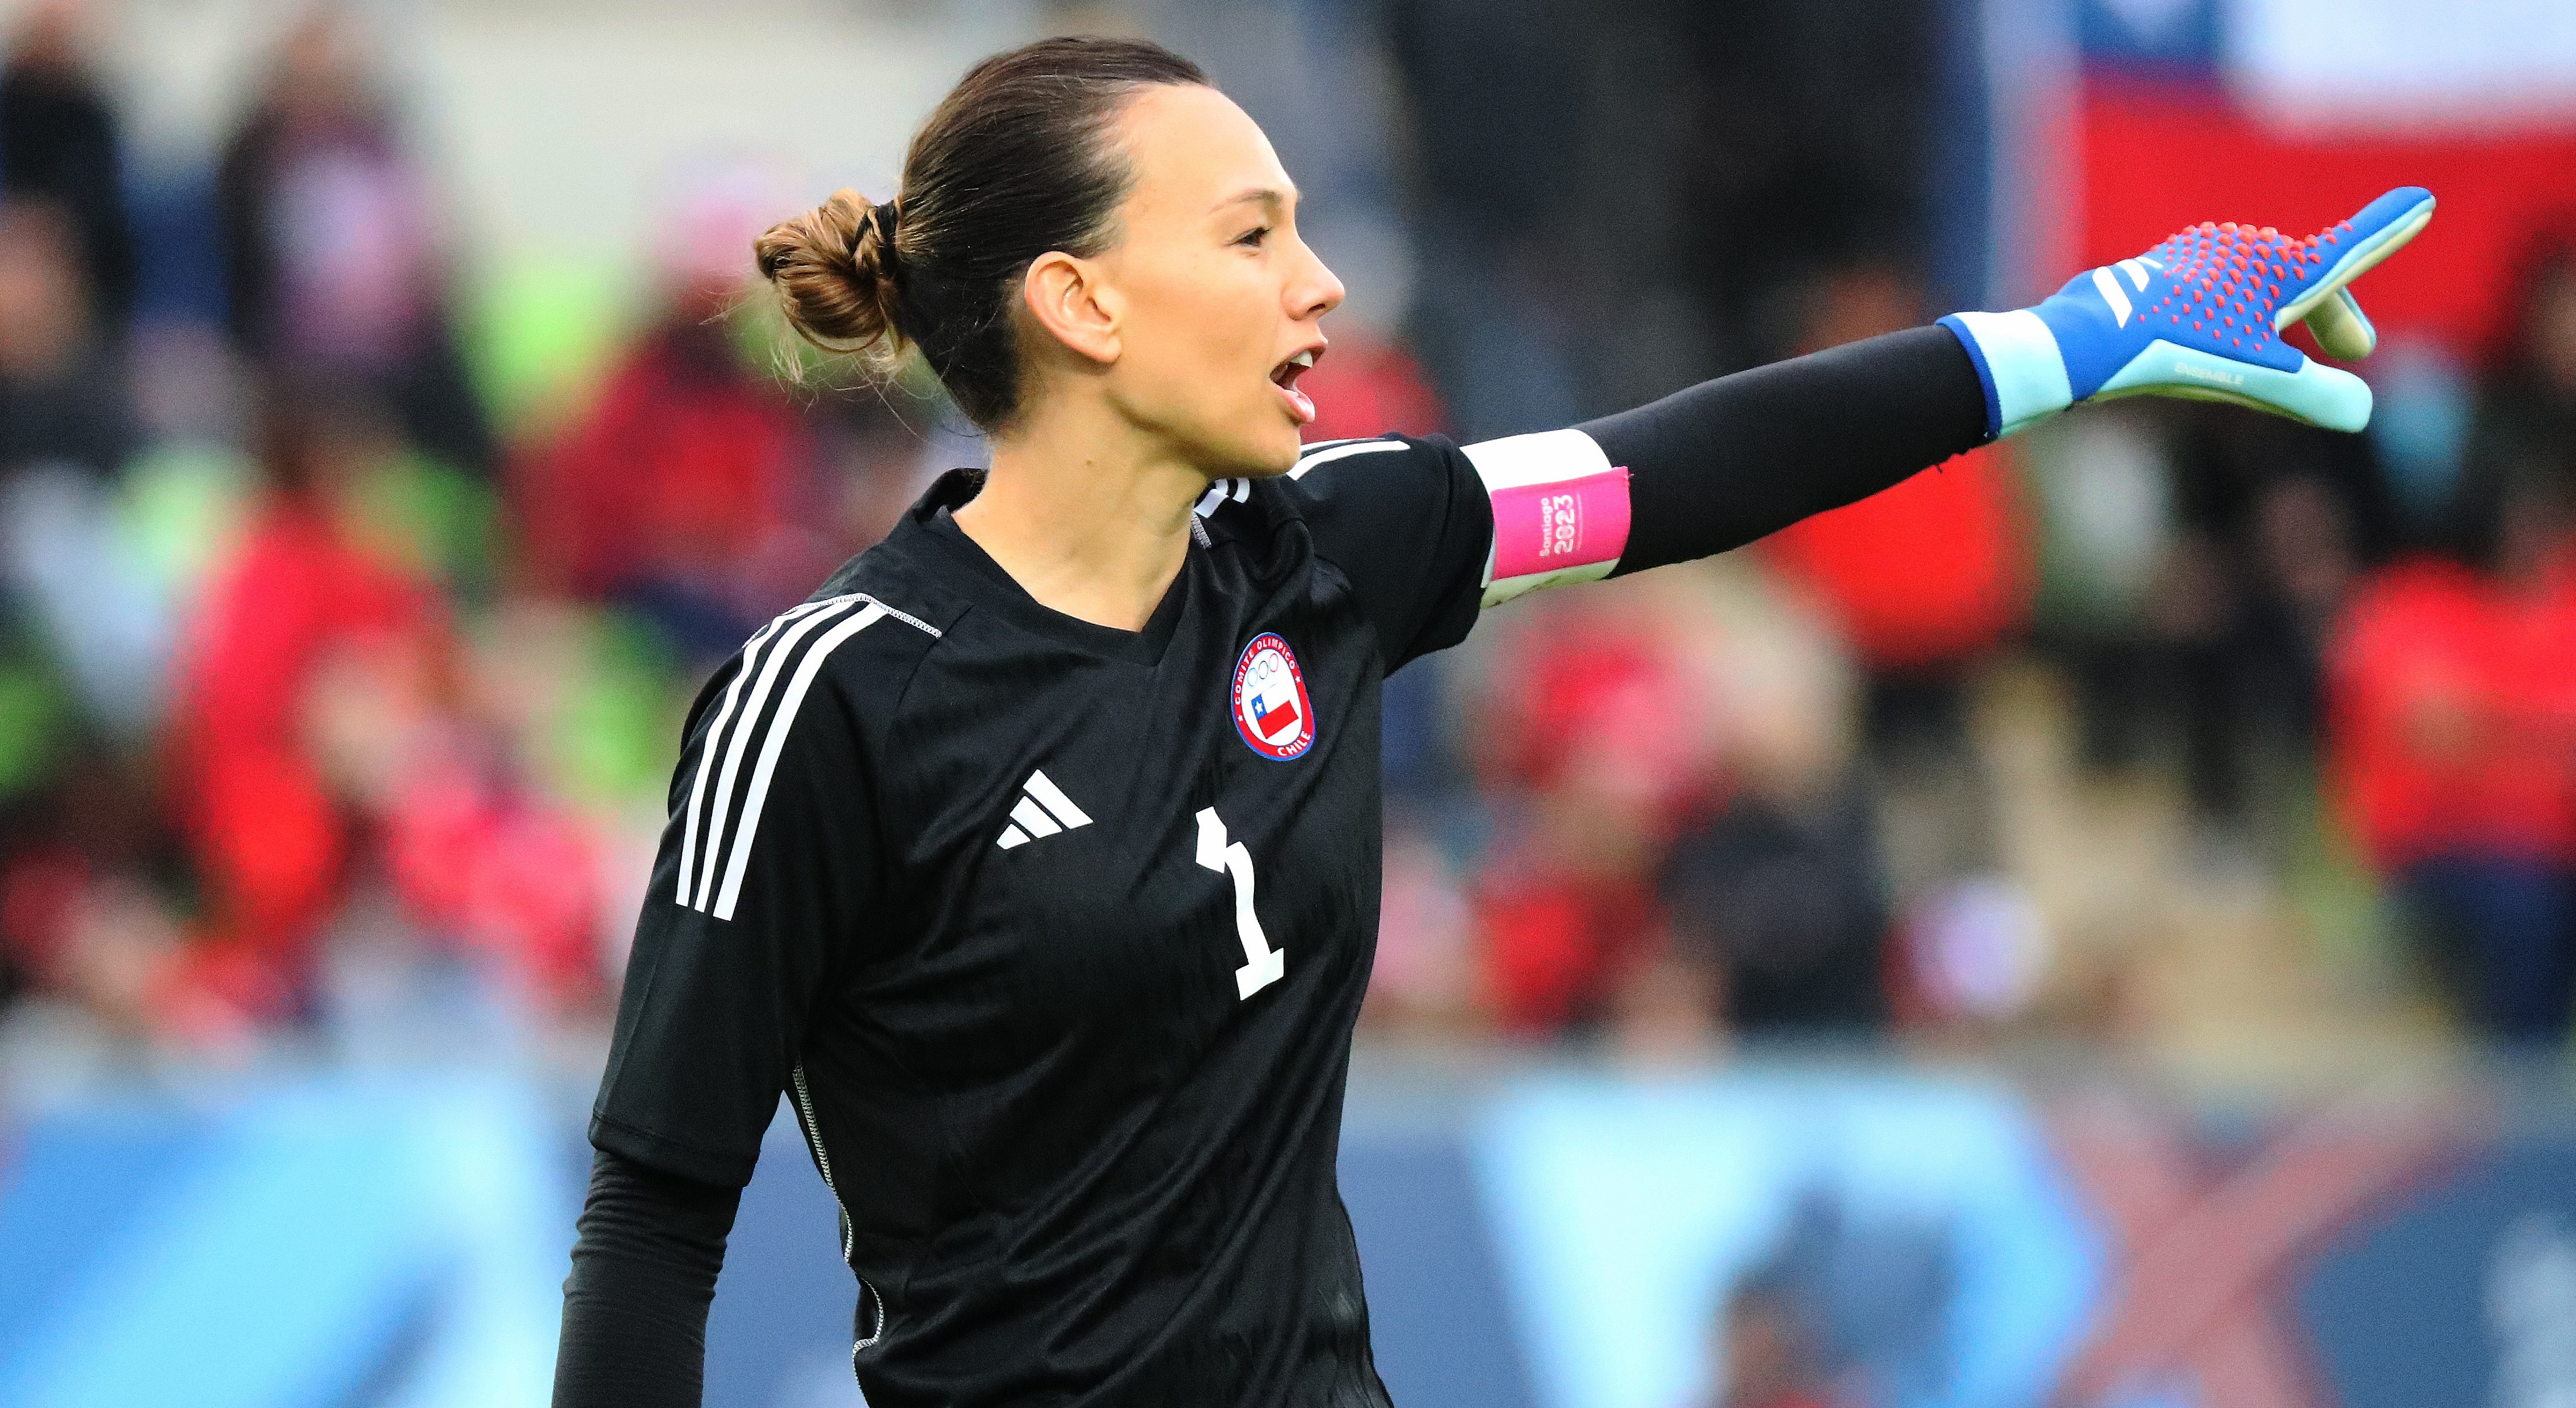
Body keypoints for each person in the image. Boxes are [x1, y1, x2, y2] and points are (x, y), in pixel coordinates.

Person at [552, 35, 2430, 1408]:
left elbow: (1679, 465)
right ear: (1080, 303)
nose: (1323, 285)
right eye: (1252, 235)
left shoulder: (1328, 554)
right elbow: (654, 1207)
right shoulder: (834, 696)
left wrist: (2088, 329)